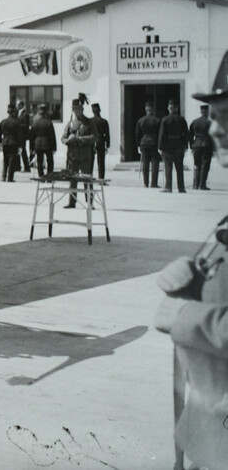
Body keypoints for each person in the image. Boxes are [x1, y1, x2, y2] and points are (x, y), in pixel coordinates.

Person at [153, 57, 228, 469]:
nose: (214, 128)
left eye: (226, 116)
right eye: (214, 115)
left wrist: (187, 315)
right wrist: (198, 284)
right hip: (210, 439)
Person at [61, 98, 95, 208]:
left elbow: (94, 137)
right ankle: (72, 201)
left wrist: (79, 138)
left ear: (82, 109)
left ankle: (90, 202)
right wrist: (68, 140)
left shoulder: (89, 122)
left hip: (85, 155)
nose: (76, 111)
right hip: (73, 156)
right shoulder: (71, 123)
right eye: (74, 109)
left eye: (78, 108)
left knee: (87, 179)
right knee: (72, 178)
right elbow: (63, 138)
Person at [158, 99, 189, 194]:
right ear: (177, 108)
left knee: (168, 167)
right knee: (179, 167)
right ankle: (181, 187)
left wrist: (160, 147)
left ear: (169, 108)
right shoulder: (182, 119)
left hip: (168, 146)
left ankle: (168, 187)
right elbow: (186, 134)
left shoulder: (165, 119)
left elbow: (162, 135)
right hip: (179, 144)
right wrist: (185, 146)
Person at [135, 102, 162, 188]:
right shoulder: (157, 120)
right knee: (155, 163)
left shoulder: (140, 120)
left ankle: (145, 183)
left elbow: (137, 133)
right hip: (154, 142)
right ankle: (154, 183)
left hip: (143, 142)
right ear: (153, 109)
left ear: (146, 109)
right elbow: (160, 134)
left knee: (145, 163)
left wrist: (138, 144)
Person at [30, 102, 57, 180]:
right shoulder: (48, 122)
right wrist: (54, 147)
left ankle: (41, 176)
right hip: (48, 143)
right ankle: (49, 176)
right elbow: (52, 136)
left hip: (37, 143)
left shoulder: (35, 121)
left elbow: (32, 135)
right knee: (50, 161)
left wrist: (32, 148)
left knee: (39, 161)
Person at [188, 104, 213, 191]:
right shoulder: (210, 123)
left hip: (197, 145)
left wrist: (191, 145)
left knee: (197, 165)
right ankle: (202, 184)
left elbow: (190, 135)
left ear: (201, 111)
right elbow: (212, 136)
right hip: (207, 145)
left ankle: (196, 184)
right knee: (205, 165)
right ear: (207, 111)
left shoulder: (194, 122)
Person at [0, 104, 21, 182]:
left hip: (5, 142)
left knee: (5, 160)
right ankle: (10, 177)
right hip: (13, 142)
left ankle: (3, 176)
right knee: (12, 160)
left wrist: (0, 142)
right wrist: (20, 145)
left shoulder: (3, 122)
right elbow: (19, 135)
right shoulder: (16, 122)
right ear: (14, 112)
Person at [90, 102, 111, 180]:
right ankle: (101, 178)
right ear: (99, 111)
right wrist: (107, 145)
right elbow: (107, 134)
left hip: (92, 141)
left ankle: (90, 176)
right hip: (101, 141)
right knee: (101, 161)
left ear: (93, 111)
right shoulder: (104, 121)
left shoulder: (90, 121)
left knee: (91, 161)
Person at [16, 99, 31, 173]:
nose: (17, 106)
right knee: (18, 151)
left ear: (21, 105)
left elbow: (26, 125)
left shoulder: (25, 114)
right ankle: (18, 166)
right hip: (18, 135)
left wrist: (17, 125)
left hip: (22, 135)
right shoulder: (18, 113)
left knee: (23, 151)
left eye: (18, 105)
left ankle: (27, 167)